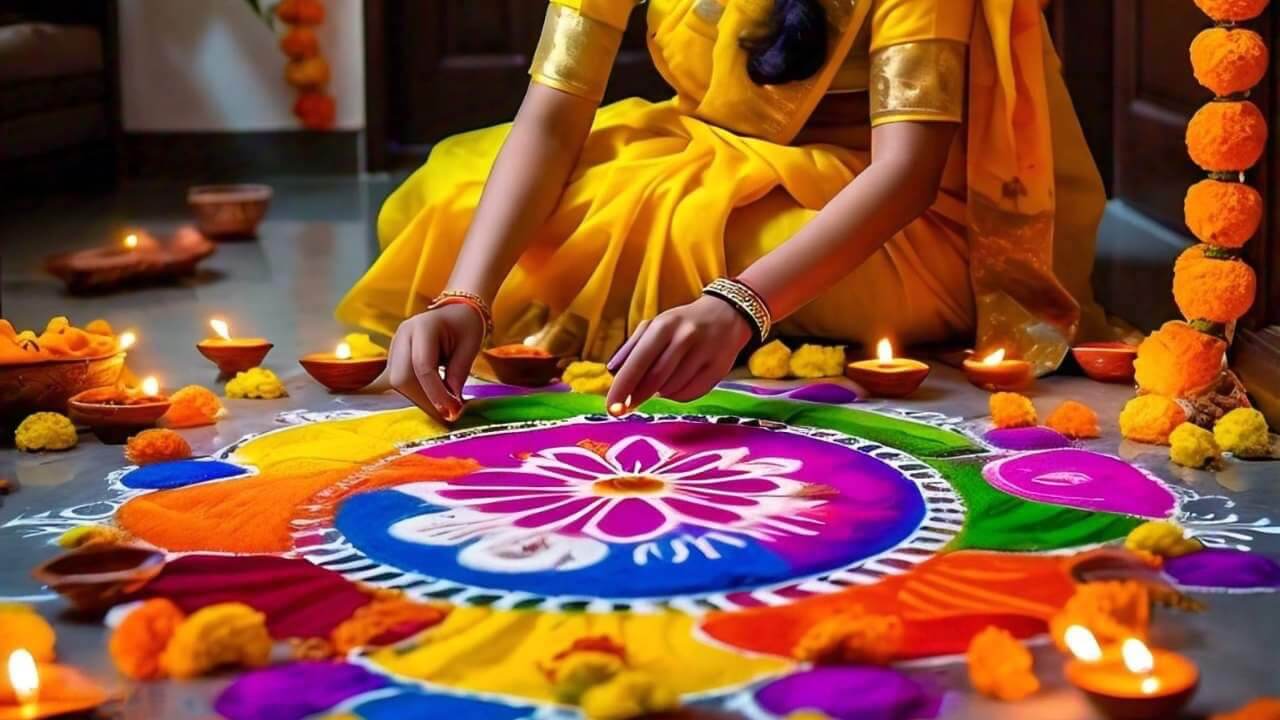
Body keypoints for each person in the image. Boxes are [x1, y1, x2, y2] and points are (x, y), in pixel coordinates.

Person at [338, 0, 1117, 423]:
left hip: (893, 209)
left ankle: (722, 297)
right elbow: (551, 119)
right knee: (448, 204)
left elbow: (906, 174)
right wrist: (465, 296)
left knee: (689, 242)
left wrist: (739, 304)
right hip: (711, 154)